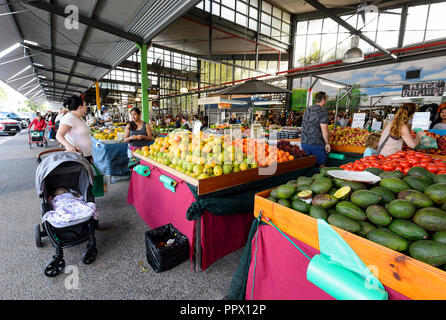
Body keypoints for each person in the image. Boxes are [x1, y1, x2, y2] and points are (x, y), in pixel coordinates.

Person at [57, 95, 93, 163]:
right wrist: (68, 145)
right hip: (77, 156)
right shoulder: (69, 118)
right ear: (80, 107)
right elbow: (59, 135)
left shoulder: (79, 118)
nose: (86, 108)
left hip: (85, 155)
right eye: (85, 105)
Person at [301, 91, 331, 168]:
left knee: (308, 166)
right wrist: (327, 143)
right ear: (323, 99)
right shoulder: (322, 111)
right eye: (326, 99)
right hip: (316, 143)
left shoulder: (307, 110)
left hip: (304, 142)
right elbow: (324, 130)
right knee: (321, 165)